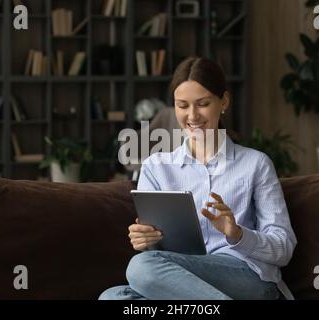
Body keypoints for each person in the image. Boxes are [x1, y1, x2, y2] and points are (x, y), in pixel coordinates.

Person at [99, 57, 297, 300]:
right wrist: (145, 239)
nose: (192, 116)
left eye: (202, 104)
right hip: (185, 284)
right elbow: (157, 257)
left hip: (248, 278)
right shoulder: (156, 167)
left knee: (141, 268)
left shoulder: (256, 164)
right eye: (182, 106)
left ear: (223, 101)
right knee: (113, 297)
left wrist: (237, 234)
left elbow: (284, 248)